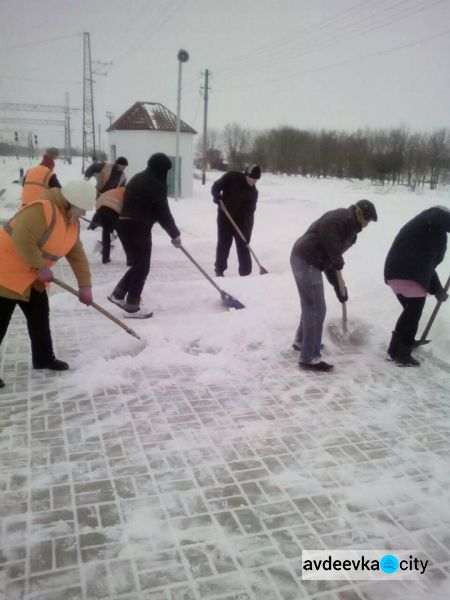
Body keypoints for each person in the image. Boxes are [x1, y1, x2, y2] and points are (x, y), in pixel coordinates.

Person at [0, 181, 96, 388]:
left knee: (39, 317)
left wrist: (85, 285)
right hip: (5, 272)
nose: (84, 213)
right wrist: (40, 266)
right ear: (70, 203)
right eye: (82, 208)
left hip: (32, 277)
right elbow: (22, 239)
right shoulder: (42, 209)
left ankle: (43, 357)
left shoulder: (71, 220)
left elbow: (76, 254)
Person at [290, 199, 378, 372]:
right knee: (316, 308)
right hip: (306, 260)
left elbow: (331, 261)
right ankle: (310, 358)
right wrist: (337, 259)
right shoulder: (342, 217)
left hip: (306, 259)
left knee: (310, 305)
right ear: (360, 214)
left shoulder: (351, 232)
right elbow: (327, 234)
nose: (367, 224)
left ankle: (302, 342)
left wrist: (339, 288)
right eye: (367, 220)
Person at [108, 153, 181, 318]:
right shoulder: (156, 184)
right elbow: (163, 213)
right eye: (166, 171)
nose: (167, 175)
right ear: (161, 169)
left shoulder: (139, 177)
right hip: (137, 226)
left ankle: (118, 294)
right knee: (143, 266)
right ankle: (132, 306)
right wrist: (174, 234)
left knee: (139, 265)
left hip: (125, 224)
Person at [384, 206, 449, 367]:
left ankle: (394, 350)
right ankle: (403, 353)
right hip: (410, 275)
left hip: (393, 273)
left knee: (409, 312)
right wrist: (437, 290)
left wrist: (437, 290)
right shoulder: (434, 228)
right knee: (413, 315)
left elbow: (426, 263)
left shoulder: (420, 227)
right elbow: (427, 264)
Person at [212, 164, 261, 276]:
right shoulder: (232, 177)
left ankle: (246, 273)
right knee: (224, 244)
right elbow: (216, 187)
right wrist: (217, 197)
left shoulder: (253, 193)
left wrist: (247, 235)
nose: (253, 182)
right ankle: (219, 270)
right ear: (246, 175)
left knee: (244, 245)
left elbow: (250, 214)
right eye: (251, 178)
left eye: (256, 180)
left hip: (241, 221)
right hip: (225, 216)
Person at [88, 186, 125, 264]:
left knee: (106, 232)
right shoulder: (127, 192)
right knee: (122, 232)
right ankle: (130, 258)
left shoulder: (115, 190)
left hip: (100, 207)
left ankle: (105, 257)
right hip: (112, 209)